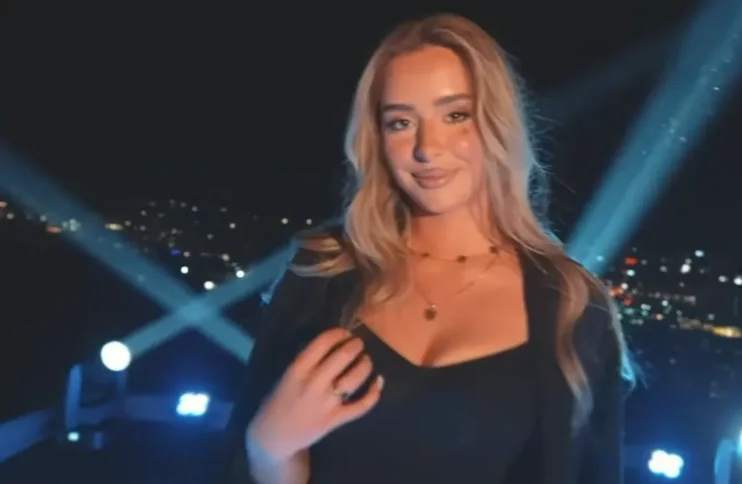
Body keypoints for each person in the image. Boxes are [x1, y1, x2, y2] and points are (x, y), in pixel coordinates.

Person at [223, 13, 633, 484]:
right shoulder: (321, 274)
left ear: (496, 123)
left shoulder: (572, 306)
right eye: (400, 123)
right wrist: (269, 454)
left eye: (455, 115)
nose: (426, 148)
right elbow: (242, 463)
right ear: (376, 139)